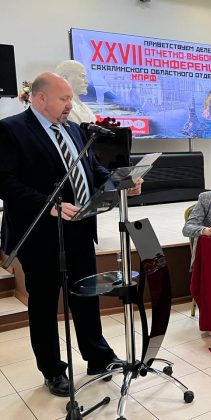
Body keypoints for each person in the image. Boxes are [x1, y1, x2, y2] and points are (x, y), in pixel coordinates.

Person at [0, 72, 142, 397]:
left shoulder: (75, 129)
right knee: (45, 304)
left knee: (86, 295)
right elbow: (4, 181)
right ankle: (52, 370)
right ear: (40, 98)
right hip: (39, 233)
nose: (69, 104)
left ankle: (98, 356)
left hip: (80, 227)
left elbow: (92, 169)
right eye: (64, 99)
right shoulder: (11, 130)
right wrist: (47, 205)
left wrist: (121, 182)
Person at [55, 60, 97, 124]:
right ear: (65, 78)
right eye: (82, 76)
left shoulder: (85, 108)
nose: (86, 81)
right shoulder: (57, 106)